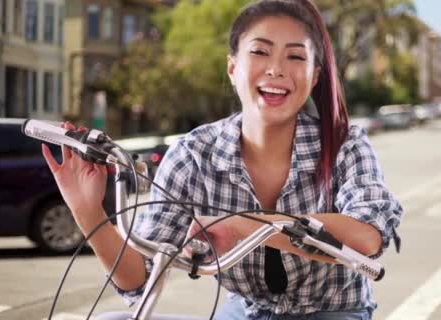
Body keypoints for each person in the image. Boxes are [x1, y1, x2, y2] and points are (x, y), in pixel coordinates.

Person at [42, 0, 403, 319]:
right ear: (232, 68)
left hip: (334, 311)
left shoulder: (345, 143)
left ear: (314, 78)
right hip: (247, 310)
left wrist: (244, 226)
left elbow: (367, 238)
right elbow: (140, 279)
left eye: (295, 56)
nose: (276, 69)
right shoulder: (193, 154)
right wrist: (88, 212)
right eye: (260, 52)